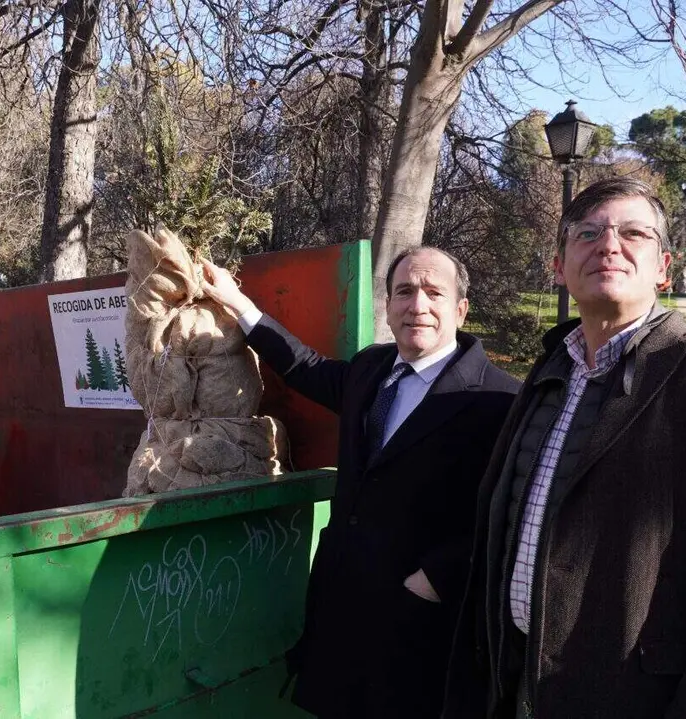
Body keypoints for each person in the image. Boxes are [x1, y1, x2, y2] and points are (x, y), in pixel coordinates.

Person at [443, 177, 686, 719]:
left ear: (663, 266)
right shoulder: (550, 371)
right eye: (587, 234)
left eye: (633, 232)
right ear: (559, 265)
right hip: (510, 684)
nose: (609, 244)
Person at [201, 248, 519, 717]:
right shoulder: (372, 368)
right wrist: (238, 306)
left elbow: (511, 507)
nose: (418, 306)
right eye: (405, 292)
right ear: (388, 305)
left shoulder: (501, 399)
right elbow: (306, 367)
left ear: (461, 308)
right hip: (342, 600)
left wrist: (437, 576)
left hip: (420, 622)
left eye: (435, 293)